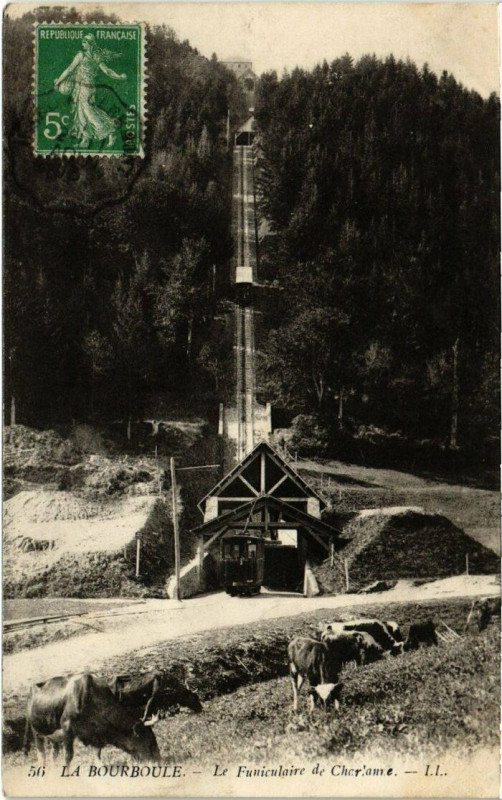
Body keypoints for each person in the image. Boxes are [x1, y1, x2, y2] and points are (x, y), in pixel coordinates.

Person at [54, 34, 126, 147]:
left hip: (85, 88)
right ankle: (85, 139)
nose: (82, 44)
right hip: (87, 88)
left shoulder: (81, 55)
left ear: (90, 43)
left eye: (84, 42)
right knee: (81, 112)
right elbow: (107, 71)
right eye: (82, 42)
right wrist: (119, 77)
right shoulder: (96, 57)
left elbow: (69, 70)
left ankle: (110, 131)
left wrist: (58, 82)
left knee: (89, 112)